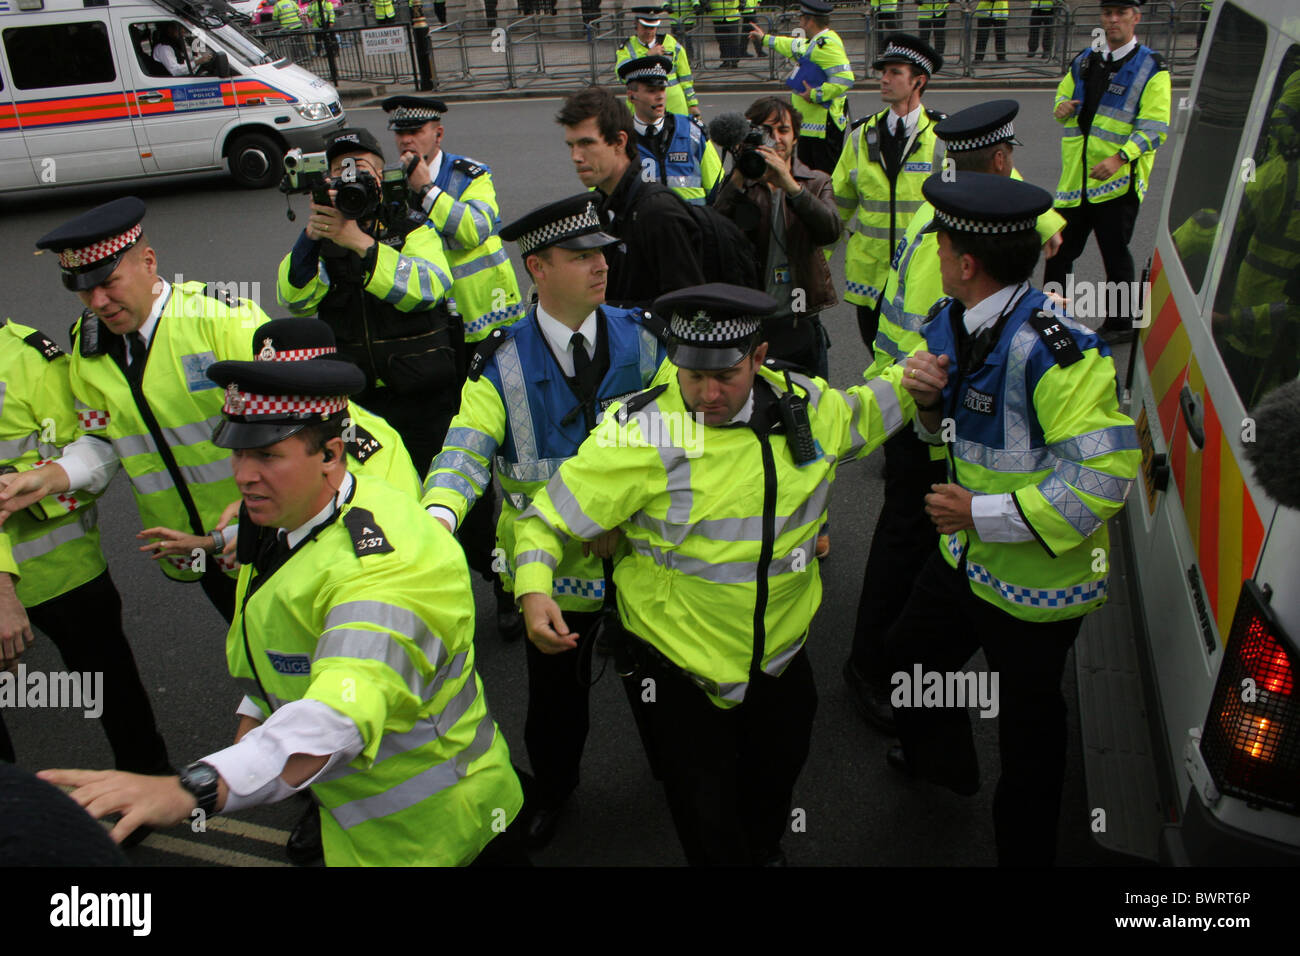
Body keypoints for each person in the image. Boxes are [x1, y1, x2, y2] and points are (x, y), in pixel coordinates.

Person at [40, 345, 526, 866]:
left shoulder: (384, 567)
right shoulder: (284, 520)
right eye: (238, 453)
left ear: (331, 455)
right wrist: (254, 717)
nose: (243, 475)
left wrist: (193, 789)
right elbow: (293, 634)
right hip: (368, 832)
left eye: (267, 456)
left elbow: (338, 712)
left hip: (446, 836)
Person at [510, 283, 927, 865]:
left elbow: (868, 409)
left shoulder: (807, 406)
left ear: (757, 358)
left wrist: (923, 368)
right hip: (683, 674)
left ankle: (764, 847)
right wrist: (532, 589)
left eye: (724, 376)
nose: (706, 393)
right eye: (690, 375)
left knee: (775, 780)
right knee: (705, 819)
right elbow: (545, 519)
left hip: (781, 660)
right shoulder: (643, 432)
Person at [885, 172, 1140, 866]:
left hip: (1035, 587)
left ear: (967, 263)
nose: (933, 251)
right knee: (908, 658)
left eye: (939, 243)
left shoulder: (1058, 354)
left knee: (1030, 733)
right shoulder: (949, 318)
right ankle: (946, 766)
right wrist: (931, 408)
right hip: (966, 561)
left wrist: (982, 513)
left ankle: (1023, 853)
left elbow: (1104, 477)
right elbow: (954, 439)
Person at [424, 195, 667, 850]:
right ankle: (554, 788)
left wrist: (629, 509)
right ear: (537, 268)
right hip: (552, 579)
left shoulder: (645, 338)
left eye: (601, 254)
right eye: (580, 256)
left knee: (663, 687)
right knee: (557, 703)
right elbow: (466, 448)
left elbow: (683, 437)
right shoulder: (500, 360)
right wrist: (437, 520)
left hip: (645, 560)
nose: (601, 266)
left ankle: (679, 777)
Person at [844, 100, 1067, 730]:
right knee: (907, 543)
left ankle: (904, 688)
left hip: (925, 407)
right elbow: (942, 347)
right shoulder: (960, 240)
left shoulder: (950, 208)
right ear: (1000, 160)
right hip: (924, 411)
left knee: (915, 546)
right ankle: (872, 672)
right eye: (1012, 160)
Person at [4, 198, 267, 623]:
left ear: (148, 262)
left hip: (264, 531)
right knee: (249, 649)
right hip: (191, 544)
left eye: (109, 282)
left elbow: (295, 425)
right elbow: (103, 438)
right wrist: (48, 477)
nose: (99, 301)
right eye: (83, 289)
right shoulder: (87, 347)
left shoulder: (219, 321)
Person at [0, 318, 170, 782]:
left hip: (63, 569)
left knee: (109, 684)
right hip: (36, 572)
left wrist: (35, 485)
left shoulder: (33, 358)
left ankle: (148, 781)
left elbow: (93, 456)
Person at [385, 96, 526, 639]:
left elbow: (476, 227)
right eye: (399, 134)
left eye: (416, 131)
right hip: (436, 346)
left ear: (437, 133)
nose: (406, 142)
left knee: (509, 457)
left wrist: (428, 191)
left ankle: (512, 581)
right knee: (456, 457)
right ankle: (481, 578)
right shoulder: (393, 183)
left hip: (490, 333)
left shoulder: (471, 176)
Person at [277, 127, 458, 476]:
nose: (350, 177)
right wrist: (311, 237)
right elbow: (294, 299)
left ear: (380, 176)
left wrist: (361, 244)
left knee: (438, 484)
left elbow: (430, 286)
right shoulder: (322, 236)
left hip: (423, 395)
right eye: (340, 169)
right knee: (375, 494)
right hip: (356, 402)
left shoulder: (409, 225)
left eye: (361, 167)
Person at [1044, 0, 1170, 343]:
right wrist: (1062, 107)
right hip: (1076, 181)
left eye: (1121, 14)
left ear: (1135, 18)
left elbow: (1155, 129)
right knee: (1059, 251)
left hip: (1117, 182)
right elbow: (1060, 99)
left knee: (1115, 254)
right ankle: (1052, 316)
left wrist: (1119, 158)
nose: (1113, 20)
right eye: (1107, 14)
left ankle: (1121, 324)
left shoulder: (1151, 68)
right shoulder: (1086, 59)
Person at [713, 95, 840, 378]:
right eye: (766, 131)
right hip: (751, 320)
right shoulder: (739, 182)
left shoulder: (816, 182)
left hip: (799, 317)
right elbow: (715, 234)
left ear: (796, 138)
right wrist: (737, 178)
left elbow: (830, 231)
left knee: (812, 407)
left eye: (783, 130)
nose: (776, 139)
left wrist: (791, 186)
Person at [832, 33, 944, 349]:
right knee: (876, 353)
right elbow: (838, 204)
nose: (884, 79)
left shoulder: (941, 136)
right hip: (871, 275)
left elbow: (987, 178)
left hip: (920, 274)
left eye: (895, 72)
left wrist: (1046, 224)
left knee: (919, 359)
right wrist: (814, 260)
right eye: (883, 72)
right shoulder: (860, 135)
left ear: (918, 81)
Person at [557, 86, 706, 309]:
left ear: (619, 142)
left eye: (587, 143)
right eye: (571, 145)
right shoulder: (602, 206)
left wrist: (611, 310)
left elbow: (687, 306)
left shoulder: (657, 212)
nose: (576, 157)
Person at [749, 0, 854, 176]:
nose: (799, 22)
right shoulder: (816, 42)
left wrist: (815, 94)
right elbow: (793, 46)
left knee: (822, 179)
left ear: (810, 21)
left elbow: (845, 79)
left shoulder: (827, 45)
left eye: (801, 18)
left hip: (823, 129)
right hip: (812, 127)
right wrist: (765, 39)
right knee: (806, 176)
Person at [618, 55, 723, 206]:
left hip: (691, 228)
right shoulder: (619, 141)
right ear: (631, 96)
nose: (660, 96)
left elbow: (718, 189)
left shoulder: (692, 132)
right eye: (651, 90)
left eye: (662, 89)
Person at [616, 5, 702, 122]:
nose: (649, 32)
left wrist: (693, 104)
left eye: (653, 28)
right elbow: (622, 76)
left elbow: (685, 77)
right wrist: (648, 56)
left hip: (675, 105)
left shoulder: (670, 42)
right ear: (636, 25)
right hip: (642, 107)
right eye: (645, 27)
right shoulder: (627, 47)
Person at [710, 0, 743, 69]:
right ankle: (726, 60)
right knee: (722, 40)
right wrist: (705, 4)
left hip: (732, 14)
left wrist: (743, 3)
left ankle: (734, 60)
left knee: (733, 39)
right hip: (718, 15)